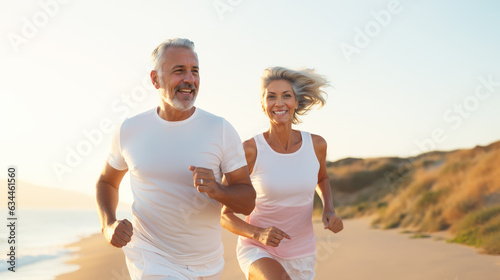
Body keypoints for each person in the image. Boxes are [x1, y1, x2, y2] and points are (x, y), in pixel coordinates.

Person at [96, 38, 256, 280]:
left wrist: (218, 190)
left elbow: (247, 202)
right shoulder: (130, 130)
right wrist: (108, 225)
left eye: (195, 71)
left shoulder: (220, 129)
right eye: (179, 71)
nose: (189, 79)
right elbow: (107, 182)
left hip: (208, 263)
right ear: (155, 79)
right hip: (151, 256)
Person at [221, 66, 343, 280]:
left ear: (296, 102)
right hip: (258, 248)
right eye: (271, 97)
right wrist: (258, 233)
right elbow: (225, 216)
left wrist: (329, 209)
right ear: (263, 105)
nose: (279, 103)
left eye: (286, 96)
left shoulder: (316, 145)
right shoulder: (250, 150)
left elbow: (321, 178)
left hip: (303, 252)